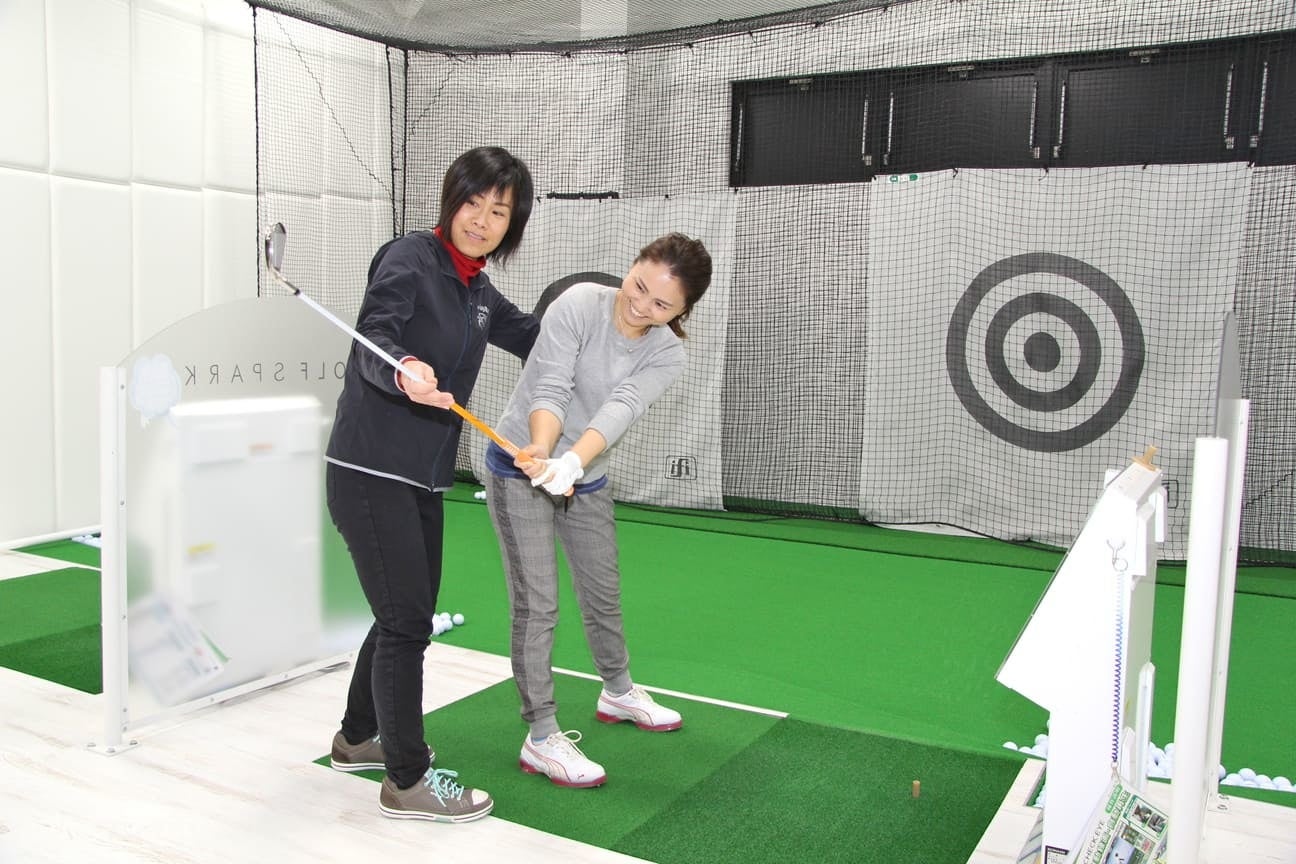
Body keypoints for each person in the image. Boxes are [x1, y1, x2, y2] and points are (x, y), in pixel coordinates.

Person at [324, 146, 538, 822]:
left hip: (422, 477)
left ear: (511, 224)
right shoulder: (410, 258)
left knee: (402, 613)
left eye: (498, 211)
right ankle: (407, 780)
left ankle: (356, 738)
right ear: (451, 200)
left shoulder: (477, 291)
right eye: (473, 202)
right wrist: (404, 366)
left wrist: (610, 325)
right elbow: (374, 337)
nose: (481, 220)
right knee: (407, 621)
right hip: (369, 468)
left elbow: (534, 336)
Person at [483, 232, 712, 788]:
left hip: (585, 476)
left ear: (681, 312)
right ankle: (541, 737)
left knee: (602, 591)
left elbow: (620, 408)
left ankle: (617, 691)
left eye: (662, 304)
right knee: (538, 606)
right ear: (632, 266)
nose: (641, 305)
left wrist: (573, 464)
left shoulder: (668, 353)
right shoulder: (579, 303)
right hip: (520, 467)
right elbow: (551, 384)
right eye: (639, 286)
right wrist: (544, 453)